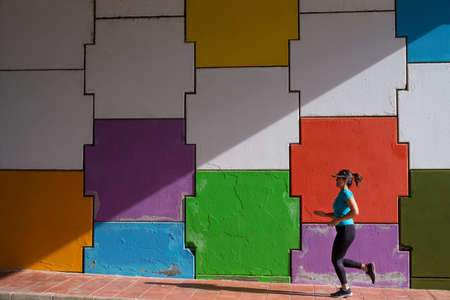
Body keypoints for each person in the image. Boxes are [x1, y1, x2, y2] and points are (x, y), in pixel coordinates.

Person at [314, 169, 376, 298]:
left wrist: (337, 220)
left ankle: (346, 289)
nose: (336, 180)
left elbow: (355, 211)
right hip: (345, 230)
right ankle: (366, 267)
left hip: (346, 230)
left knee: (336, 260)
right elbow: (340, 212)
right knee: (338, 259)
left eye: (338, 178)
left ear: (344, 180)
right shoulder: (342, 194)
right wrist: (326, 215)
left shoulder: (346, 193)